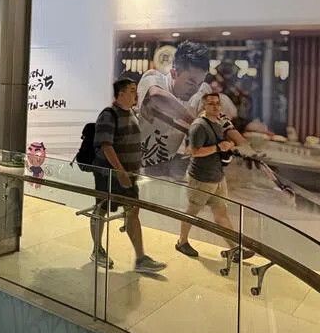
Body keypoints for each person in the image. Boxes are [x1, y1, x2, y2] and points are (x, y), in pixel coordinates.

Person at [89, 79, 166, 274]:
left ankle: (140, 258)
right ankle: (97, 249)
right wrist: (120, 172)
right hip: (109, 176)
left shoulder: (132, 113)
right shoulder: (108, 115)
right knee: (101, 209)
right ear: (120, 94)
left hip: (129, 176)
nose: (136, 94)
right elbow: (106, 146)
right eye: (132, 91)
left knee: (133, 211)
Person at [136, 41, 237, 176]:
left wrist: (236, 143)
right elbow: (157, 96)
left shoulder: (197, 95)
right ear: (174, 73)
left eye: (199, 83)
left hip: (165, 168)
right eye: (190, 82)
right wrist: (197, 124)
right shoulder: (153, 78)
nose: (194, 89)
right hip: (133, 166)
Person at [176, 93, 253, 261]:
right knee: (192, 212)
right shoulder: (199, 126)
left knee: (221, 213)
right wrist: (219, 147)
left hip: (217, 177)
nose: (216, 106)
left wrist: (229, 146)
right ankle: (182, 241)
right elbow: (194, 152)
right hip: (201, 179)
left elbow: (224, 140)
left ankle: (234, 249)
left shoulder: (218, 122)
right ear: (204, 106)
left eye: (218, 103)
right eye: (211, 104)